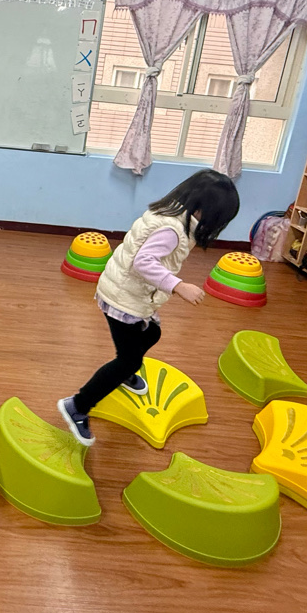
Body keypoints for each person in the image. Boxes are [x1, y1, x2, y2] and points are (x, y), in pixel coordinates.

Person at [57, 170, 240, 446]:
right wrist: (178, 285)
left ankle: (125, 373)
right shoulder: (172, 230)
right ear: (203, 212)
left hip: (126, 291)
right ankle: (77, 406)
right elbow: (143, 262)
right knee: (128, 359)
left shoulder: (171, 212)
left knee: (152, 333)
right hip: (124, 299)